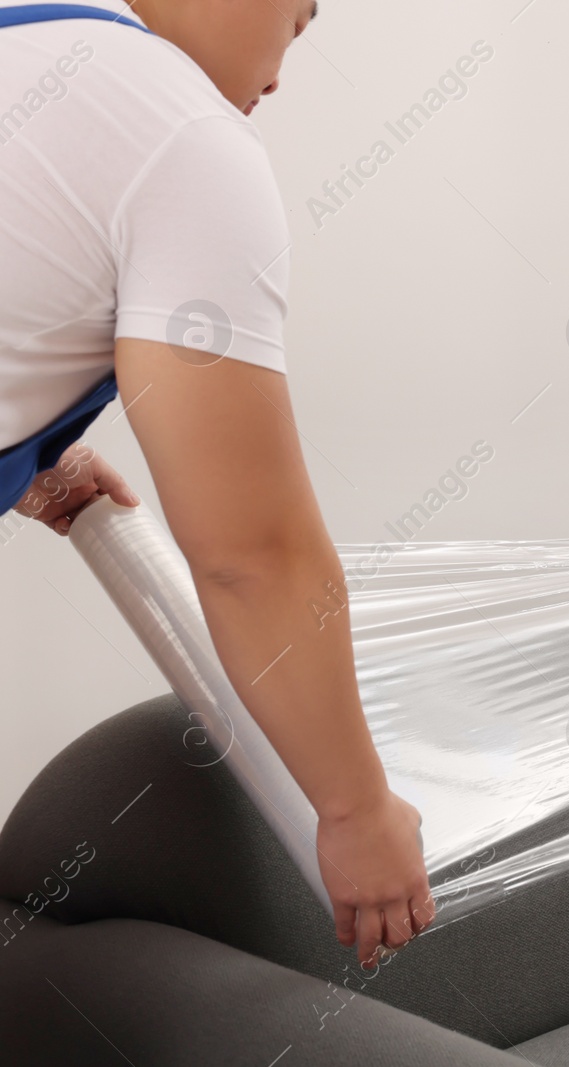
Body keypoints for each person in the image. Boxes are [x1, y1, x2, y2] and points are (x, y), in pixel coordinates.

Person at [0, 0, 433, 965]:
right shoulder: (185, 139)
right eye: (300, 19)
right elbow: (251, 554)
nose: (280, 76)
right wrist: (358, 809)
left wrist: (30, 452)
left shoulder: (26, 44)